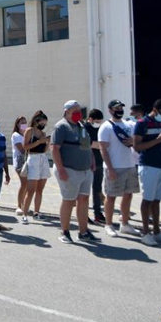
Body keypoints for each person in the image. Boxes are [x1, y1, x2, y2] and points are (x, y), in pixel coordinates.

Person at [51, 101, 100, 243]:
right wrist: (61, 170)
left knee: (83, 200)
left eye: (79, 110)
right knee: (69, 200)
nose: (78, 113)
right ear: (66, 111)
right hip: (69, 170)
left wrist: (92, 161)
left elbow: (87, 145)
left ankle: (83, 232)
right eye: (74, 110)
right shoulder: (61, 127)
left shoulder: (81, 126)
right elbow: (54, 148)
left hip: (85, 170)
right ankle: (65, 232)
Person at [133, 98, 161, 246]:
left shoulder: (160, 123)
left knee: (157, 200)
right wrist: (158, 140)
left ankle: (157, 231)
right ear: (155, 110)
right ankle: (146, 233)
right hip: (148, 165)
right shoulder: (142, 123)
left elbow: (160, 146)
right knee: (147, 199)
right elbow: (137, 146)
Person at [98, 100, 142, 238]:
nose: (119, 110)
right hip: (114, 167)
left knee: (128, 195)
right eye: (116, 108)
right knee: (111, 196)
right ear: (110, 110)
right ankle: (109, 224)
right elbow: (103, 149)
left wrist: (133, 142)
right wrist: (110, 169)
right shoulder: (106, 127)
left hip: (129, 165)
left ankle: (125, 223)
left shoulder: (129, 124)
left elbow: (138, 140)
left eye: (121, 108)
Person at [21, 111, 51, 224]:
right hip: (33, 159)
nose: (43, 125)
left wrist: (47, 143)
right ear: (37, 121)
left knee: (40, 189)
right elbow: (26, 146)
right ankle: (24, 214)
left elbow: (44, 150)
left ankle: (36, 212)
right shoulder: (30, 131)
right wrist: (39, 142)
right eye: (42, 122)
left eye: (45, 123)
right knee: (31, 190)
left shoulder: (43, 133)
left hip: (43, 159)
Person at [84, 109, 106, 224]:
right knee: (85, 191)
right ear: (90, 119)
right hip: (87, 163)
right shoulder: (84, 128)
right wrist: (102, 146)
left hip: (98, 161)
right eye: (97, 120)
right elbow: (88, 143)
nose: (98, 122)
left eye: (100, 121)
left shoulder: (100, 128)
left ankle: (98, 213)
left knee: (97, 189)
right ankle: (83, 214)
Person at [11, 116, 28, 216]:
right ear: (17, 124)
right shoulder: (16, 135)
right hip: (19, 161)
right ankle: (19, 205)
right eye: (22, 122)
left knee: (27, 184)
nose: (24, 124)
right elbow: (22, 149)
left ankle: (24, 204)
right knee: (24, 183)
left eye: (25, 122)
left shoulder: (27, 134)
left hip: (27, 160)